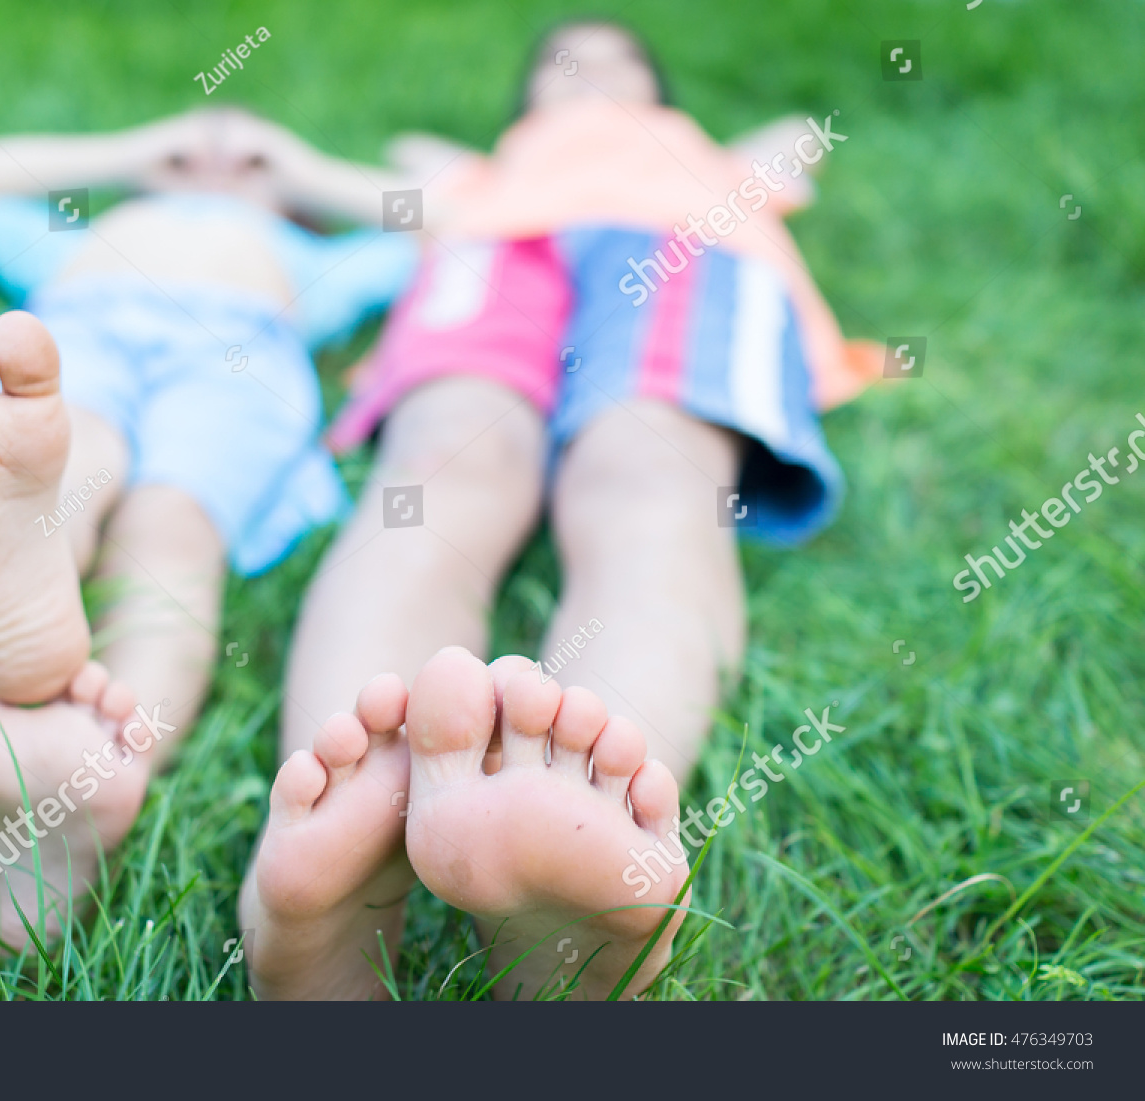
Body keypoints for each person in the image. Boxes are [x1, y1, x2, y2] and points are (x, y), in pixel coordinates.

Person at [240, 20, 881, 999]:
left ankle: (579, 838)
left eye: (623, 65)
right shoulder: (479, 172)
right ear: (524, 105)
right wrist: (287, 160)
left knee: (650, 477)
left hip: (686, 243)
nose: (592, 77)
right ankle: (347, 835)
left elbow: (798, 138)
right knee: (441, 470)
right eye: (560, 67)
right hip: (495, 247)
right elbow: (387, 181)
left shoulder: (703, 159)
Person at [0, 107, 417, 945]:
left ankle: (86, 764)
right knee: (78, 463)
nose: (218, 160)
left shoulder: (309, 255)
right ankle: (50, 619)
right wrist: (133, 158)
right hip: (83, 333)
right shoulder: (95, 233)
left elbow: (445, 222)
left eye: (247, 162)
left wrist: (294, 168)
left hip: (238, 350)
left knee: (170, 527)